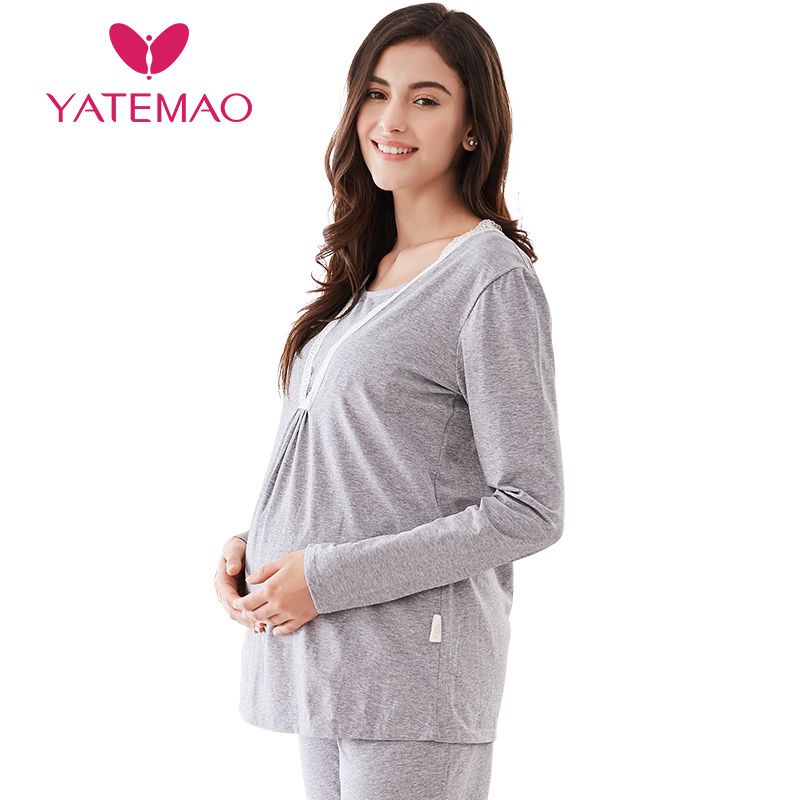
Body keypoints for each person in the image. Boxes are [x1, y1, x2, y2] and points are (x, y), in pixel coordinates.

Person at [213, 4, 565, 798]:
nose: (391, 119)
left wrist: (324, 578)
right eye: (376, 93)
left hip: (413, 675)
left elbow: (531, 508)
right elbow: (373, 466)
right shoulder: (364, 273)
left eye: (425, 98)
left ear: (472, 127)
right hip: (326, 662)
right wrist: (259, 545)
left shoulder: (489, 280)